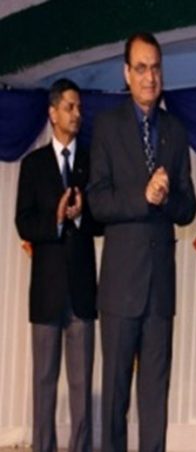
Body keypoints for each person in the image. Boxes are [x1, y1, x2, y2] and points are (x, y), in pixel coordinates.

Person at [88, 32, 196, 452]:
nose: (150, 77)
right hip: (118, 289)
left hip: (159, 291)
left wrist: (166, 198)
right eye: (141, 68)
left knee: (155, 398)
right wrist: (142, 197)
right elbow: (97, 201)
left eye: (155, 68)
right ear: (126, 74)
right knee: (115, 399)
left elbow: (188, 207)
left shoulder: (175, 130)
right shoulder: (107, 127)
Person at [15, 78, 100, 452]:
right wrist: (58, 219)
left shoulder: (91, 160)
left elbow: (102, 218)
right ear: (52, 113)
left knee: (81, 388)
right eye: (70, 107)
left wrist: (81, 217)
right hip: (46, 294)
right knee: (44, 385)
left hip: (81, 293)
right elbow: (24, 222)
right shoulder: (33, 165)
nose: (77, 114)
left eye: (79, 107)